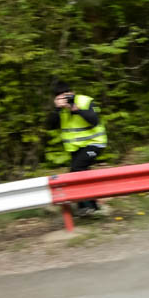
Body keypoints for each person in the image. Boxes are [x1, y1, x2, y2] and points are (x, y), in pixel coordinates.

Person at [47, 81, 108, 216]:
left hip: (94, 143)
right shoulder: (60, 108)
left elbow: (94, 120)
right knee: (82, 174)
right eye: (60, 96)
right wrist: (57, 109)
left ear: (72, 92)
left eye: (67, 94)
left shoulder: (85, 100)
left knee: (76, 171)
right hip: (75, 147)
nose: (65, 98)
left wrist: (77, 109)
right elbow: (50, 126)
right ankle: (92, 207)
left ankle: (85, 207)